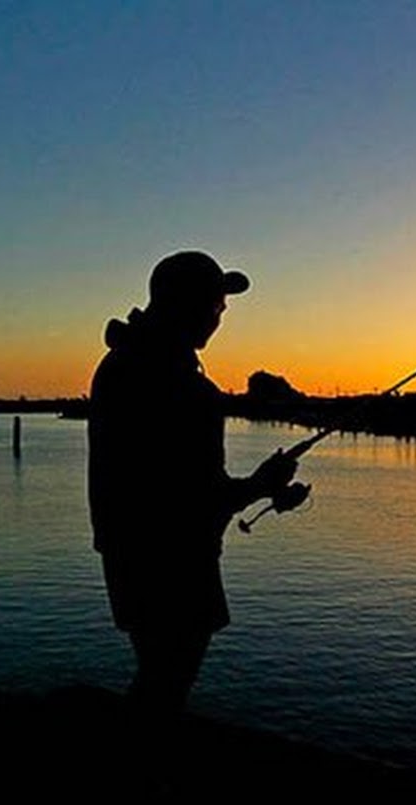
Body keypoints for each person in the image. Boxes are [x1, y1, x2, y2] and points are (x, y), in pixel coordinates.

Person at [88, 250, 297, 715]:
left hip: (129, 551)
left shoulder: (121, 364)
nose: (220, 314)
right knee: (170, 674)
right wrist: (263, 484)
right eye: (215, 304)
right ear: (187, 304)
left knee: (157, 669)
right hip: (171, 557)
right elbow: (194, 497)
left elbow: (179, 489)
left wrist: (257, 487)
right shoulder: (177, 384)